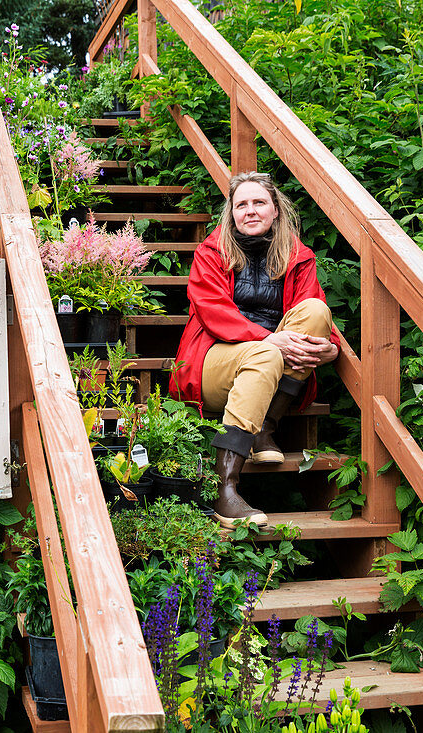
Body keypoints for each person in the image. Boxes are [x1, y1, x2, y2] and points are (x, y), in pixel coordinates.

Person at [169, 172, 340, 528]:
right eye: (241, 204)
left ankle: (265, 426)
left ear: (276, 210)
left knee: (316, 312)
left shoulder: (298, 257)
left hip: (271, 366)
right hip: (213, 362)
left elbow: (313, 309)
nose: (250, 211)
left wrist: (332, 350)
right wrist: (268, 339)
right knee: (265, 353)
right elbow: (213, 312)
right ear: (231, 213)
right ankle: (225, 489)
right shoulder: (211, 252)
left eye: (259, 202)